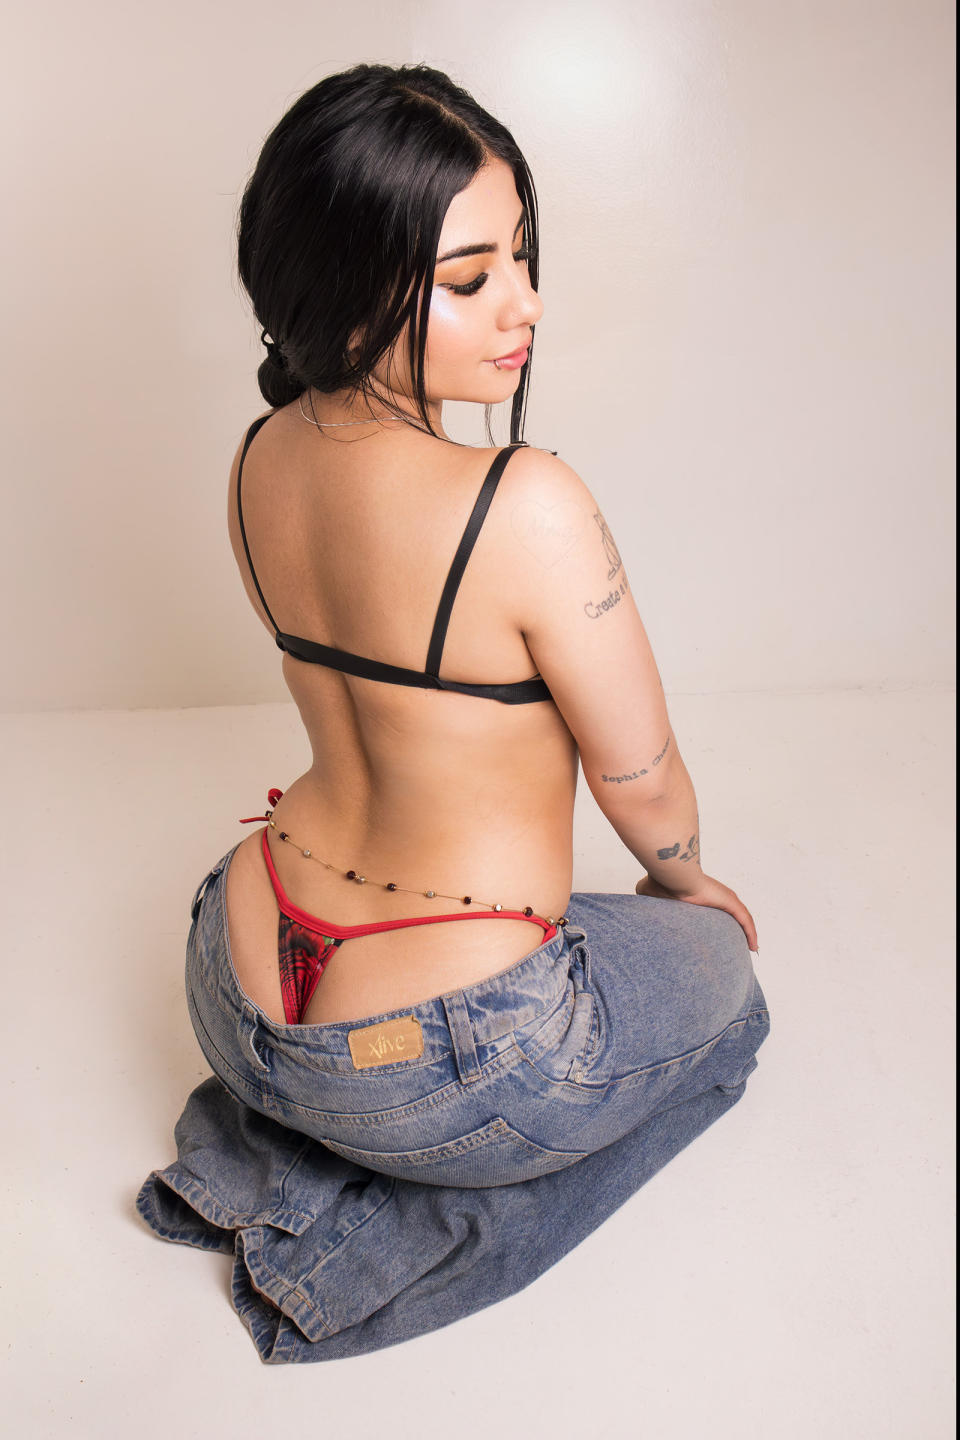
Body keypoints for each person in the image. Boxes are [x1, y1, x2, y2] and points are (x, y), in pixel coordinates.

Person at [138, 62, 770, 1363]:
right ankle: (350, 1243)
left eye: (523, 257)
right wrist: (689, 887)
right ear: (353, 284)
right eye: (474, 277)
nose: (525, 304)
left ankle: (279, 1151)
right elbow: (641, 780)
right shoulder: (525, 503)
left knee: (578, 971)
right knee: (732, 1002)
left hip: (233, 983)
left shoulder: (258, 458)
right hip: (443, 1055)